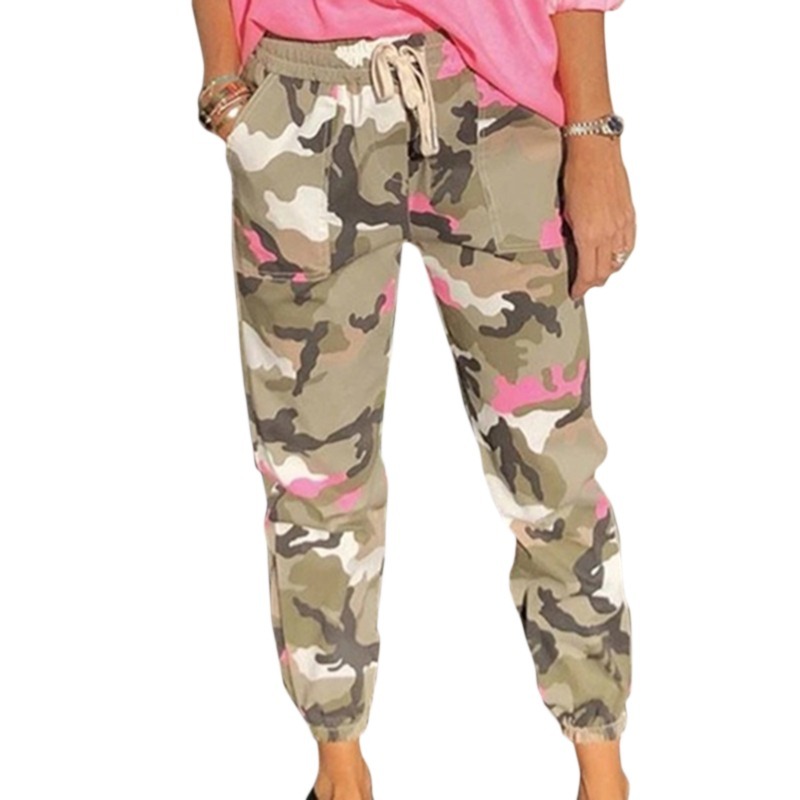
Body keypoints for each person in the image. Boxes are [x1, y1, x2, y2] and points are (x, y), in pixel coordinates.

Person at [192, 2, 635, 799]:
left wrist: (593, 131)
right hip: (301, 104)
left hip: (492, 102)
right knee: (314, 475)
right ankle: (339, 772)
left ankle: (603, 776)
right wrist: (223, 81)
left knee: (550, 470)